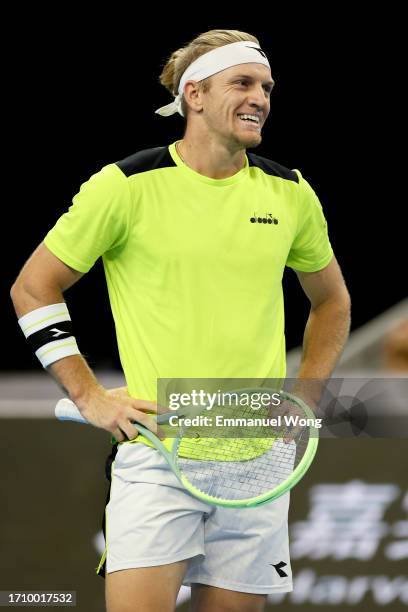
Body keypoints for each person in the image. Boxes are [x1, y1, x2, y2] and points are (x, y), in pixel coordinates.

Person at [11, 29, 351, 612]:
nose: (261, 97)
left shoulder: (291, 192)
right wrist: (90, 395)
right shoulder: (124, 186)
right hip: (159, 450)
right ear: (194, 94)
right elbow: (32, 286)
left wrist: (306, 397)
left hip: (257, 453)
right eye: (242, 83)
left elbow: (333, 302)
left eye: (266, 87)